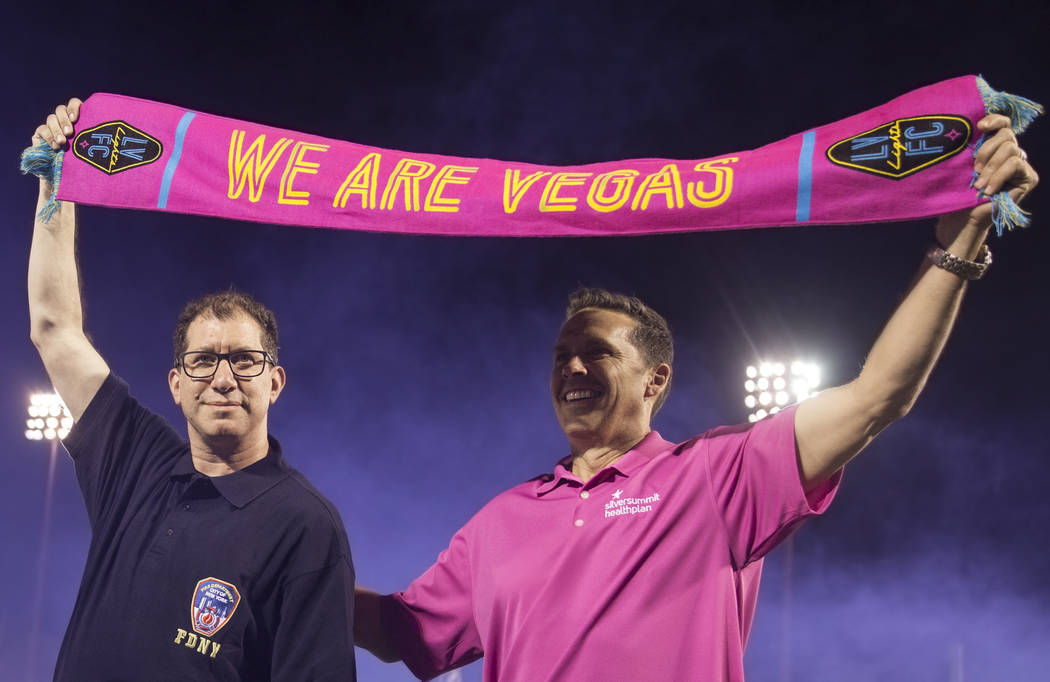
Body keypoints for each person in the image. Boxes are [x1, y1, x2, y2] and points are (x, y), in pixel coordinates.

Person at [353, 112, 1038, 680]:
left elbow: (878, 396)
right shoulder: (500, 521)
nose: (574, 368)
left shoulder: (716, 474)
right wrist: (268, 572)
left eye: (598, 353)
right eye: (562, 356)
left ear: (657, 380)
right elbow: (398, 631)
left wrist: (956, 246)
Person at [29, 98, 357, 681]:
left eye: (245, 361)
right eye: (204, 361)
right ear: (176, 384)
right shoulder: (133, 457)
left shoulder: (306, 525)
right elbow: (54, 327)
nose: (223, 378)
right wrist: (60, 185)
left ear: (276, 381)